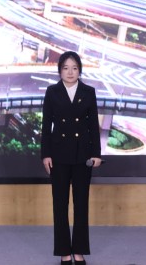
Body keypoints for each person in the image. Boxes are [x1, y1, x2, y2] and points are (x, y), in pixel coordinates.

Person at [40, 51, 102, 265]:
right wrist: (45, 154)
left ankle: (79, 251)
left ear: (79, 70)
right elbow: (46, 126)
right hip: (58, 155)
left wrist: (96, 154)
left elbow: (93, 126)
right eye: (66, 68)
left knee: (81, 204)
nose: (70, 72)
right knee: (60, 204)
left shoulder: (88, 92)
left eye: (74, 68)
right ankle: (64, 252)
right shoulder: (52, 92)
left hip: (83, 155)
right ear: (60, 70)